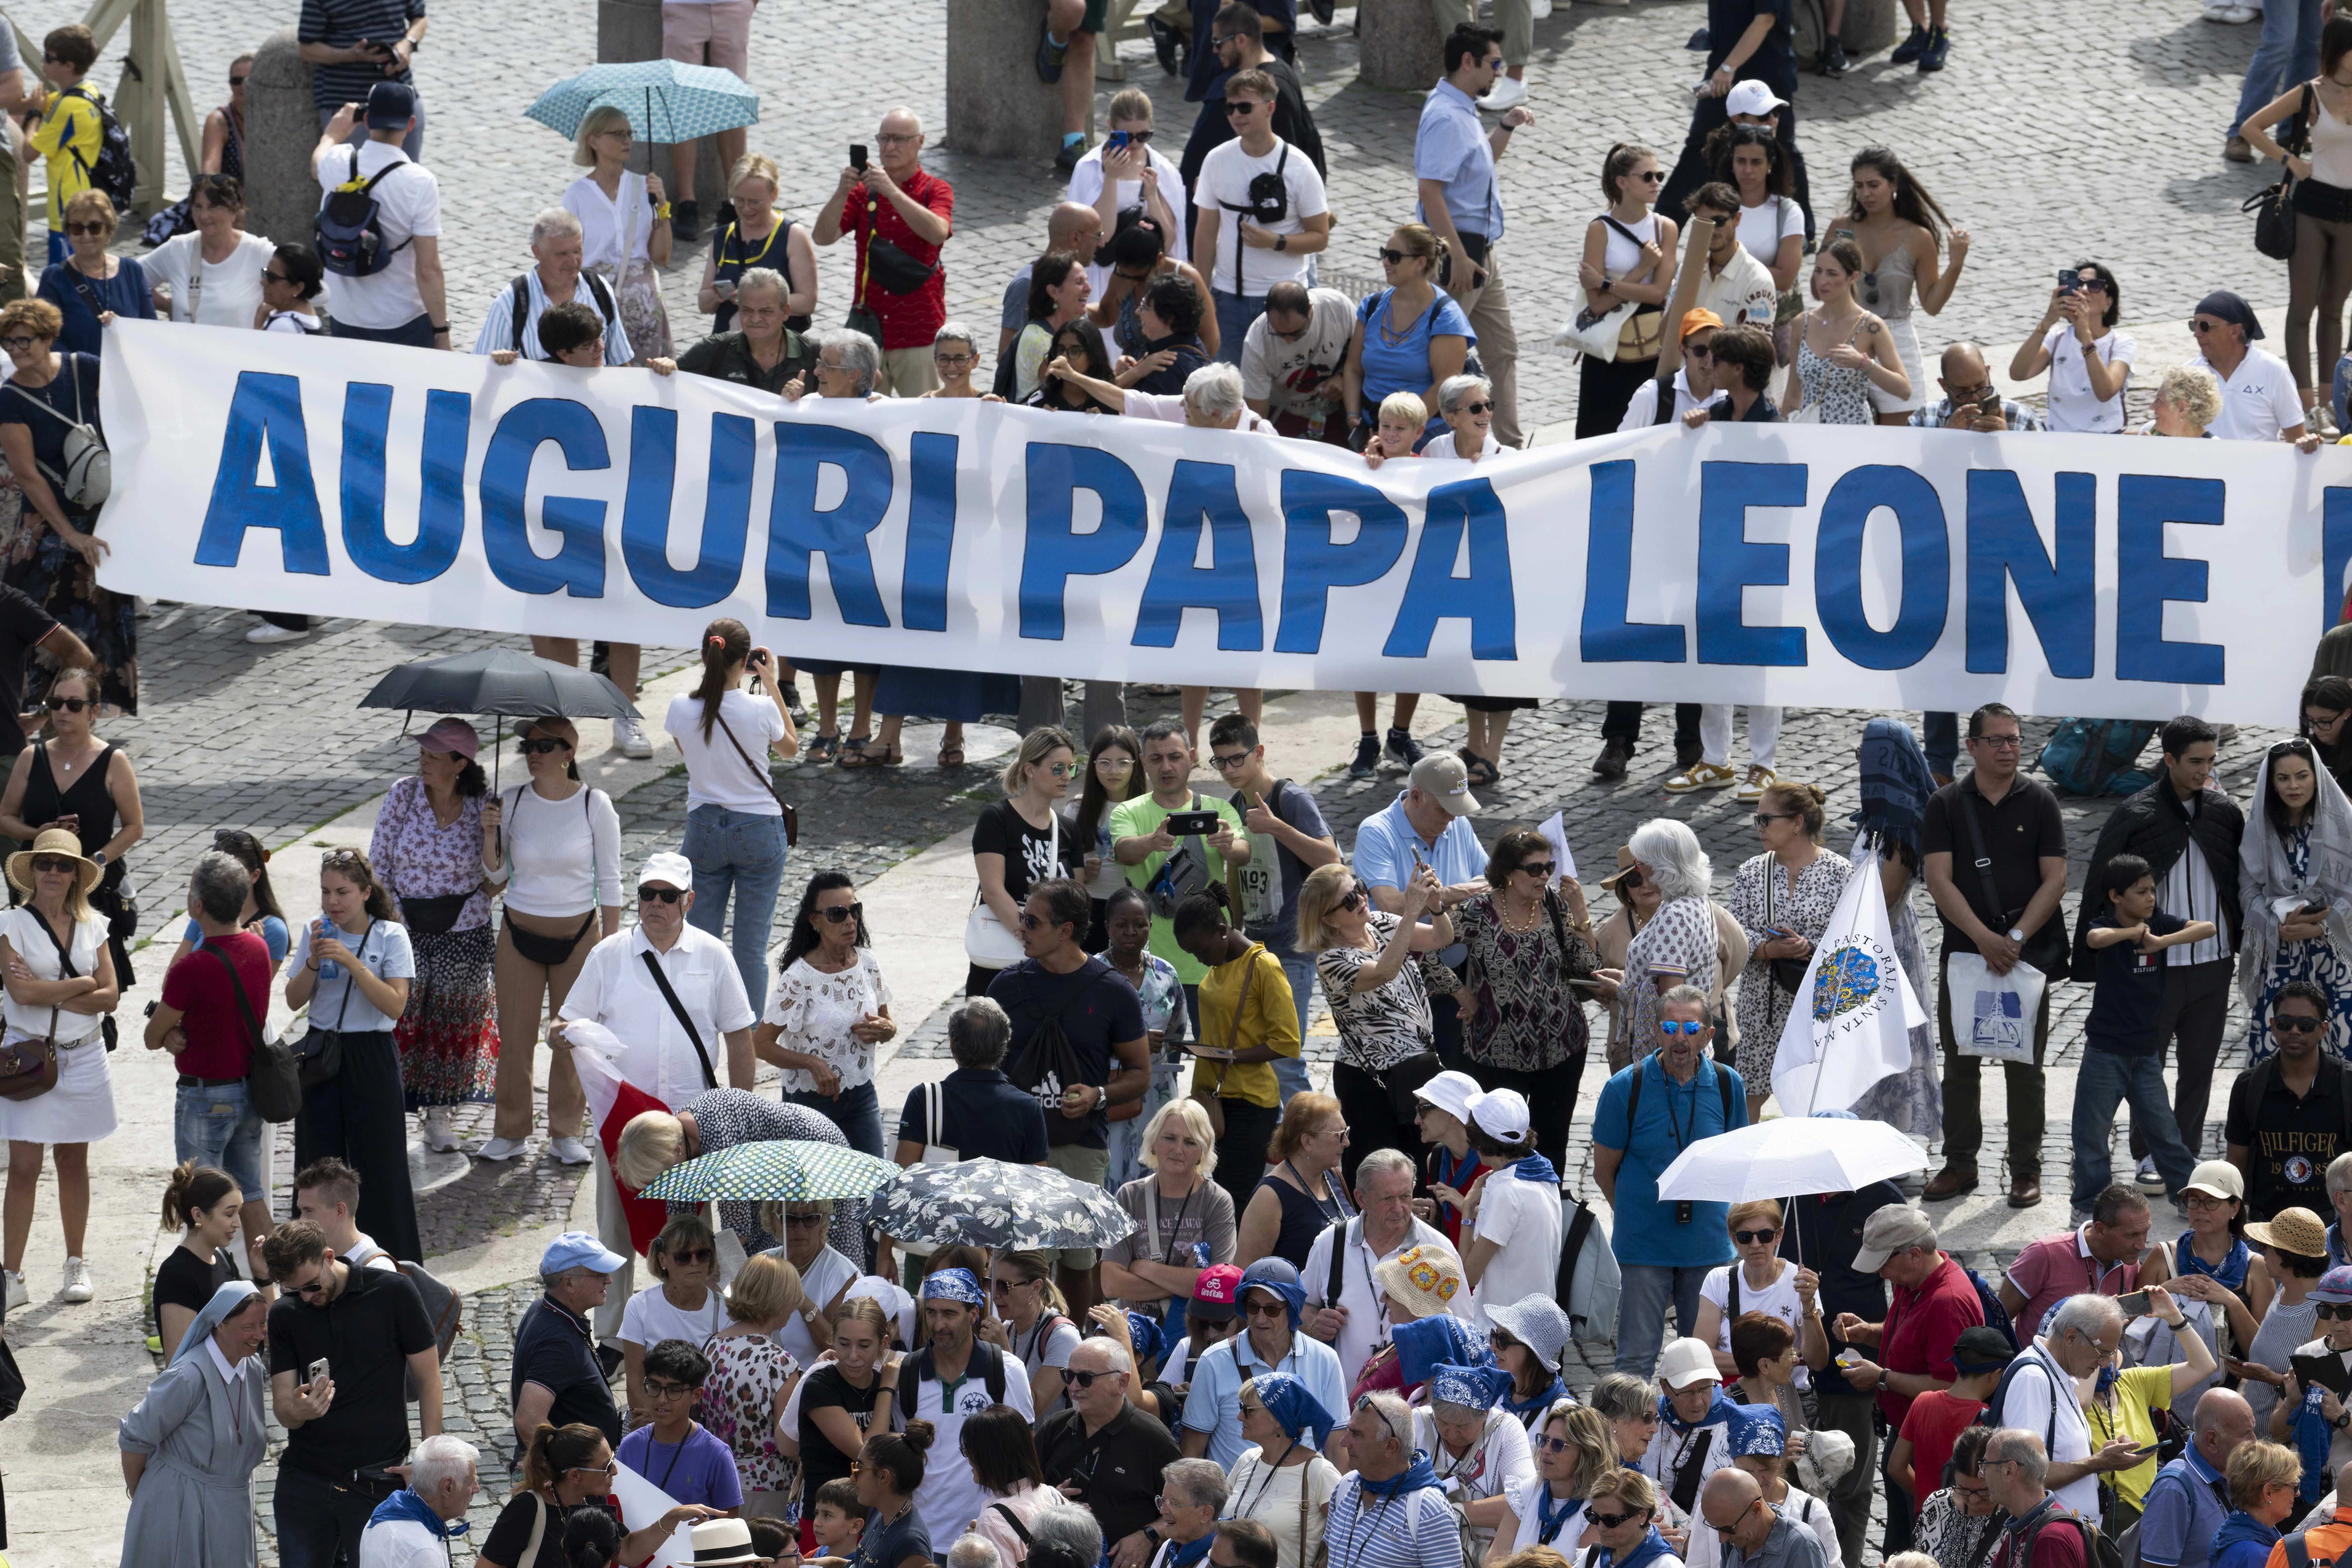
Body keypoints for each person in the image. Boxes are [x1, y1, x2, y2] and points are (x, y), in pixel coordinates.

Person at [554, 849, 758, 1331]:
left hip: (693, 1130)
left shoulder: (714, 955)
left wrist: (741, 1107)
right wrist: (561, 1033)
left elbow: (739, 1036)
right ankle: (611, 1335)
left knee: (697, 1233)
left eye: (667, 896)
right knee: (615, 1230)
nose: (656, 904)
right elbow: (565, 1018)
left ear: (688, 900)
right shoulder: (608, 955)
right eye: (648, 894)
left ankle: (711, 1327)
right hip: (625, 1125)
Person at [2078, 716, 2244, 1192]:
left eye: (2210, 760)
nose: (2204, 770)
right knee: (2143, 1065)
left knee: (2198, 1066)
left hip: (2212, 961)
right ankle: (2143, 1153)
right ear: (2167, 759)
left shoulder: (2223, 812)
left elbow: (2234, 878)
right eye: (2194, 761)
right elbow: (2100, 886)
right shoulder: (2135, 813)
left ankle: (2183, 1151)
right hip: (2152, 968)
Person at [1921, 704, 2072, 1208]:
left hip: (2022, 956)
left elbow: (2055, 877)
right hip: (1966, 955)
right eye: (1997, 741)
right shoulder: (1944, 804)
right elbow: (1938, 880)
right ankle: (1960, 1162)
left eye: (2013, 740)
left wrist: (2015, 934)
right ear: (1971, 746)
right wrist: (1983, 938)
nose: (2008, 748)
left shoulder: (2040, 802)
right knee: (1961, 1062)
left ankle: (2025, 1168)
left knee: (2023, 1067)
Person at [472, 715, 620, 1165]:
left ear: (569, 754)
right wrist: (490, 832)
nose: (534, 753)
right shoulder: (512, 802)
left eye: (546, 745)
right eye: (528, 746)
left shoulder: (595, 804)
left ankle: (565, 1132)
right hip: (518, 930)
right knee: (515, 1036)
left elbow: (610, 882)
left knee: (571, 1035)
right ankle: (511, 1130)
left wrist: (611, 949)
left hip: (578, 934)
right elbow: (496, 875)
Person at [263, 1220, 443, 1568]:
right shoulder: (286, 1314)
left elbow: (429, 1378)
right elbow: (283, 1409)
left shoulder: (393, 1292)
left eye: (312, 1286)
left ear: (329, 1257)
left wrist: (427, 1464)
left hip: (376, 1482)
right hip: (305, 1481)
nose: (307, 1298)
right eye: (293, 1290)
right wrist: (301, 1411)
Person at [1593, 985, 1749, 1375]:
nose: (1680, 1037)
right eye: (1670, 1026)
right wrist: (1634, 1213)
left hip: (1708, 1248)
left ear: (1708, 1035)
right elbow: (1602, 1171)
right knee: (1635, 1361)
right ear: (1656, 1031)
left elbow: (1737, 1166)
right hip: (1645, 1248)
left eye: (1690, 1027)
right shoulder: (1624, 1089)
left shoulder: (1729, 1086)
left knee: (1702, 1364)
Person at [1823, 1204, 1987, 1553]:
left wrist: (1881, 1379)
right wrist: (1869, 1333)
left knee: (1914, 1541)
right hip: (1908, 1434)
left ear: (1914, 1254)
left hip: (1929, 1445)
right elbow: (1909, 1335)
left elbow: (1949, 1387)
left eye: (1884, 1263)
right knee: (1898, 1537)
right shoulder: (1914, 1281)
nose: (1881, 1274)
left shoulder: (1948, 1302)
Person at [285, 847, 421, 1261]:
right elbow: (293, 1000)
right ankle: (309, 1258)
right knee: (316, 1163)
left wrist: (351, 961)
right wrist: (312, 961)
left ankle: (391, 1263)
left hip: (372, 1052)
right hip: (322, 1051)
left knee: (381, 1165)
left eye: (342, 892)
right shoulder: (318, 931)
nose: (333, 902)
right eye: (326, 892)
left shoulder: (389, 935)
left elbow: (396, 1005)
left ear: (365, 892)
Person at [370, 716, 497, 1153]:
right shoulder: (403, 795)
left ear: (459, 763)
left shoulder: (485, 805)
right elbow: (378, 864)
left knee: (451, 1025)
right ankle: (390, 1113)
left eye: (433, 756)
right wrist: (395, 918)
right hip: (404, 926)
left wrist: (491, 832)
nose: (423, 762)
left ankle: (439, 1117)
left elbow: (497, 878)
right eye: (422, 753)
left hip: (464, 929)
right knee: (400, 1023)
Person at [0, 822, 115, 1305]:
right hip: (28, 1059)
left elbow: (110, 996)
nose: (52, 871)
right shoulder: (11, 924)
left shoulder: (96, 926)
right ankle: (11, 1276)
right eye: (44, 863)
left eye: (62, 864)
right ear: (32, 871)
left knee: (74, 1161)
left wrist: (54, 994)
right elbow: (20, 993)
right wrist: (78, 986)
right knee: (23, 1168)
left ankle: (75, 1263)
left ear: (75, 874)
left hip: (85, 1055)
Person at [0, 320, 136, 716]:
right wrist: (69, 535)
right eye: (7, 341)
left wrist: (121, 334)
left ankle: (85, 709)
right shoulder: (9, 399)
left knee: (104, 613)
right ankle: (31, 711)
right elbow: (28, 475)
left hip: (103, 515)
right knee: (38, 619)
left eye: (24, 340)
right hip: (50, 526)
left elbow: (129, 403)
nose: (15, 349)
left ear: (48, 338)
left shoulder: (85, 367)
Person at [148, 850, 274, 1270]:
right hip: (249, 1093)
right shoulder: (259, 949)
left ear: (197, 905)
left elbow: (151, 1036)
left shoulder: (193, 967)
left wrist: (170, 1036)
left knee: (201, 1204)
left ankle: (206, 1302)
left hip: (205, 1098)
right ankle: (275, 1289)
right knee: (251, 1193)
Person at [1449, 829, 1599, 1171]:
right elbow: (1429, 956)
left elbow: (1591, 967)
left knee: (1553, 1143)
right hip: (1496, 1050)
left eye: (1549, 867)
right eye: (1534, 869)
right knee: (1497, 1146)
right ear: (1507, 872)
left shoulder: (1555, 904)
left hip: (1561, 1047)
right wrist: (1463, 996)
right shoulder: (1476, 912)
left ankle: (1548, 1215)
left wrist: (1581, 914)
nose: (1545, 876)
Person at [1415, 25, 1533, 448]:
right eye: (1495, 63)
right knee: (1446, 362)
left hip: (1483, 252)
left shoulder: (1463, 107)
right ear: (1469, 63)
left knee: (1502, 352)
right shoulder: (1446, 117)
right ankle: (1434, 444)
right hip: (1460, 253)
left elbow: (1476, 168)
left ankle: (1510, 447)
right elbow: (1430, 191)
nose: (1500, 72)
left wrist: (1505, 126)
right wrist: (1458, 256)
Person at [2074, 862, 2217, 1207]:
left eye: (2152, 889)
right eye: (2141, 891)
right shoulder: (2105, 926)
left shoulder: (2160, 924)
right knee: (2091, 1135)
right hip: (2105, 1053)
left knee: (2165, 1132)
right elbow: (2094, 939)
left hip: (2145, 1054)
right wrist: (2133, 934)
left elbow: (2208, 928)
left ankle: (2186, 1198)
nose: (2151, 898)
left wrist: (2161, 941)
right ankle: (2088, 1203)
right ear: (2116, 896)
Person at [1299, 862, 1452, 1185]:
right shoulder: (1330, 960)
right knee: (1382, 1174)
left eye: (1359, 888)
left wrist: (1435, 906)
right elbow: (1384, 971)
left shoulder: (1380, 924)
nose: (1361, 899)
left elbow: (1440, 937)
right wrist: (1411, 912)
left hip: (1415, 1070)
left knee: (1423, 1169)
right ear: (1328, 919)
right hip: (1370, 1084)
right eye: (1349, 901)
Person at [1210, 711, 1335, 1094]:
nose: (1229, 769)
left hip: (1294, 946)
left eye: (1237, 758)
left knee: (1285, 1059)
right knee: (1258, 1051)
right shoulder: (1232, 804)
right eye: (1220, 761)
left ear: (1259, 752)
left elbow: (1332, 861)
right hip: (1254, 947)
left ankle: (1309, 1144)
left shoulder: (1289, 797)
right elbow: (1236, 880)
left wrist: (1277, 827)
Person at [118, 1279, 270, 1567]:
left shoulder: (252, 1368)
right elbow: (134, 1437)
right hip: (179, 1509)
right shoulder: (188, 1376)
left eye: (262, 1324)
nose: (259, 1335)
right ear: (221, 1325)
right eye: (249, 1327)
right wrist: (144, 1497)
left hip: (231, 1508)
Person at [1724, 784, 1849, 1119]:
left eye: (1766, 819)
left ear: (1797, 823)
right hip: (1761, 1010)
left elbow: (1852, 941)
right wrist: (1768, 949)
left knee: (1819, 1103)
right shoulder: (1752, 872)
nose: (1759, 827)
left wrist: (1808, 948)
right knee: (1747, 1100)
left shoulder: (1840, 873)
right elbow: (1733, 936)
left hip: (1817, 1012)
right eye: (1757, 819)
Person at [1192, 68, 1329, 360]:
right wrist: (1202, 294)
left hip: (1285, 299)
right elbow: (1205, 232)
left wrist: (1276, 241)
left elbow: (1320, 237)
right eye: (1229, 108)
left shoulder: (1299, 167)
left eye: (1245, 107)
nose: (1235, 115)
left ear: (1270, 108)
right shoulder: (1216, 161)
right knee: (1226, 388)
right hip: (1228, 297)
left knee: (1283, 391)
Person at [813, 108, 952, 396]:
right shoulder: (863, 192)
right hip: (869, 334)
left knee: (921, 417)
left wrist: (893, 193)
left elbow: (938, 232)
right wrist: (842, 192)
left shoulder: (935, 189)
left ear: (920, 142)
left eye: (900, 139)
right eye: (884, 139)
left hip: (918, 332)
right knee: (863, 416)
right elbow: (823, 237)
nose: (890, 147)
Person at [1823, 149, 1965, 424]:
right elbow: (1820, 291)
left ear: (1894, 185)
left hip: (1897, 342)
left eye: (1873, 185)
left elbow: (1932, 305)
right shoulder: (1841, 228)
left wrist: (1955, 265)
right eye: (1859, 186)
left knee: (1901, 434)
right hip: (1845, 336)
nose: (1866, 194)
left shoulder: (1917, 237)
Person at [1176, 894, 1301, 1207]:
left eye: (1201, 950)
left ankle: (1236, 1258)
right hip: (1212, 1099)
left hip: (1250, 1103)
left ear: (1222, 930)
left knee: (1233, 1199)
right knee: (1208, 1194)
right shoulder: (1220, 965)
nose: (1200, 960)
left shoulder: (1263, 966)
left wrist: (1230, 1057)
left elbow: (1286, 1041)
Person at [758, 870, 893, 1158]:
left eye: (854, 910)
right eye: (837, 914)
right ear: (815, 920)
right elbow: (761, 1044)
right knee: (819, 1200)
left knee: (875, 1184)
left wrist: (886, 1030)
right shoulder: (799, 978)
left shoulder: (867, 962)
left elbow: (887, 1022)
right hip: (811, 1103)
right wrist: (812, 1063)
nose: (850, 920)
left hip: (862, 1094)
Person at [902, 1270, 1039, 1544]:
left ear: (974, 1314)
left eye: (949, 1314)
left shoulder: (1007, 1370)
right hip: (920, 1536)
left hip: (989, 1534)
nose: (938, 1324)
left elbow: (1025, 1453)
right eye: (931, 1312)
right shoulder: (907, 1372)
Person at [2238, 744, 2352, 1065]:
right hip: (2280, 958)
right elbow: (2247, 890)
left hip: (2335, 958)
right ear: (2271, 782)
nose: (2293, 786)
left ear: (2317, 778)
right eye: (2283, 778)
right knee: (2280, 1050)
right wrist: (2275, 925)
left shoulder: (2343, 825)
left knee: (2341, 1048)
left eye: (2302, 776)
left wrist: (2322, 926)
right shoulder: (2260, 829)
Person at [479, 1421, 720, 1568]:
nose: (615, 1470)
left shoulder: (592, 1500)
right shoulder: (527, 1508)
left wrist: (673, 1517)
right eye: (606, 1467)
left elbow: (627, 1550)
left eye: (613, 1459)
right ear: (575, 1475)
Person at [310, 84, 444, 348]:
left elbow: (316, 164)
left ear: (367, 120)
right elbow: (429, 269)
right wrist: (443, 331)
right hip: (401, 317)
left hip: (344, 312)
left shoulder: (339, 161)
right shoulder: (419, 181)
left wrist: (333, 132)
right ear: (411, 124)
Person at [888, 1000, 1051, 1217]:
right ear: (1003, 1048)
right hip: (999, 1239)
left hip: (935, 1238)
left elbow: (901, 1181)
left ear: (953, 1046)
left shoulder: (925, 1099)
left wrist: (885, 1250)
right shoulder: (1027, 1108)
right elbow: (1036, 1189)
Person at [1035, 1332, 1182, 1561]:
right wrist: (1047, 1499)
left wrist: (1149, 1535)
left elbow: (1185, 1511)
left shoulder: (1154, 1439)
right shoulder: (1054, 1428)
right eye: (1068, 1375)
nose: (1073, 1386)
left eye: (1085, 1378)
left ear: (1122, 1382)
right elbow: (1020, 1493)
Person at [1182, 1258, 1343, 1467]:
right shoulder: (1213, 1362)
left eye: (1272, 1310)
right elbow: (1191, 1455)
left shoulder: (1325, 1360)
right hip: (1236, 1498)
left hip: (1304, 1497)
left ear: (1293, 1309)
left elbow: (1337, 1448)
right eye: (1253, 1307)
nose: (1260, 1319)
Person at [1102, 1097, 1235, 1338]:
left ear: (1202, 1152)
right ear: (1153, 1143)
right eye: (1170, 1138)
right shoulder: (1129, 1196)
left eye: (1190, 1141)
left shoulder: (1217, 1201)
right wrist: (1184, 1283)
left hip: (1193, 1336)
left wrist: (1144, 1268)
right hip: (1134, 1334)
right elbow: (1111, 1283)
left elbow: (1215, 1286)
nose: (1178, 1149)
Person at [971, 726, 1086, 997]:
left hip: (1054, 963)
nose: (1067, 776)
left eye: (1072, 768)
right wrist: (1031, 936)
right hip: (1002, 959)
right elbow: (993, 890)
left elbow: (1077, 901)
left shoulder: (1069, 829)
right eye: (1058, 768)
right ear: (1030, 769)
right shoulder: (997, 818)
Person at [1574, 144, 1679, 438]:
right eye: (1647, 176)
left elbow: (1658, 294)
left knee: (1647, 435)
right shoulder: (1599, 229)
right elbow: (1596, 305)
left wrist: (1607, 283)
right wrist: (1642, 269)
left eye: (1659, 175)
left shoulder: (1665, 228)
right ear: (1622, 182)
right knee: (1598, 435)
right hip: (1608, 349)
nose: (1656, 182)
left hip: (1650, 345)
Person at [1341, 227, 1476, 449]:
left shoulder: (1445, 318)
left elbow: (1444, 386)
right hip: (1369, 429)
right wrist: (1352, 416)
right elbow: (1353, 369)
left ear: (1420, 263)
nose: (1385, 261)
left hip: (1422, 436)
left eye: (1394, 257)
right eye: (1384, 253)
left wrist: (1397, 431)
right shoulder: (1371, 306)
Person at [2230, 983, 2352, 1219]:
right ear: (2273, 1027)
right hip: (2265, 1224)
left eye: (2306, 1025)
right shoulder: (2249, 1086)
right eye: (2285, 1023)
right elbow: (2236, 1162)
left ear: (2323, 1029)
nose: (2295, 1031)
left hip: (2334, 1224)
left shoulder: (2347, 1086)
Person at [565, 107, 671, 363]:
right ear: (594, 141)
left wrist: (663, 205)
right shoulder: (576, 195)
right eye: (617, 134)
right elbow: (568, 253)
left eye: (629, 134)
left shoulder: (644, 186)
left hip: (643, 304)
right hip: (595, 301)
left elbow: (662, 256)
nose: (627, 141)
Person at [1693, 1202, 1828, 1392]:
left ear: (1779, 1235)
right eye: (1745, 1237)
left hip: (1788, 1402)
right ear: (1734, 1240)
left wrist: (1808, 1304)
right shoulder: (1717, 1281)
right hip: (1734, 1401)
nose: (1756, 1245)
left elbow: (1817, 1361)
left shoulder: (1799, 1281)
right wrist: (1776, 1361)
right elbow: (1701, 1357)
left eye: (1765, 1236)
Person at [474, 207, 632, 367]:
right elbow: (481, 366)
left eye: (578, 251)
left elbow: (620, 360)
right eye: (562, 254)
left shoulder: (599, 289)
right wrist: (497, 361)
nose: (573, 262)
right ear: (537, 252)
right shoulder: (512, 301)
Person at [2001, 1188, 2155, 1347]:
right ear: (2101, 1230)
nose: (2142, 1246)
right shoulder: (2044, 1254)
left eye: (2146, 1232)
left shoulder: (2129, 1262)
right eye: (2132, 1235)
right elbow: (1998, 1320)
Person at [1780, 239, 1910, 422]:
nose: (1823, 281)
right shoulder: (1802, 323)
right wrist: (1787, 430)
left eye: (1832, 274)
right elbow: (1793, 390)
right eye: (1818, 271)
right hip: (1812, 432)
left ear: (1853, 277)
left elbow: (1904, 389)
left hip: (1854, 434)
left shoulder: (1872, 327)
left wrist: (1864, 365)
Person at [616, 1212, 728, 1426]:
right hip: (652, 1424)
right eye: (684, 1257)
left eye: (703, 1255)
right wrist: (659, 1426)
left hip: (706, 1426)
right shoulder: (639, 1306)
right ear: (663, 1260)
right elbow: (634, 1383)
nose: (694, 1263)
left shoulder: (725, 1310)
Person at [1223, 1373, 1340, 1568]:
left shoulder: (1319, 1472)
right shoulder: (1247, 1459)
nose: (1239, 1416)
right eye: (1240, 1407)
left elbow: (1348, 1536)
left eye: (1248, 1410)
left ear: (1278, 1418)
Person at [2002, 263, 2134, 433]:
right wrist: (2046, 323)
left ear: (2108, 303)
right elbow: (2018, 374)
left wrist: (2085, 335)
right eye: (2078, 284)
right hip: (2060, 437)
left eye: (2094, 286)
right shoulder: (2057, 339)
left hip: (2106, 438)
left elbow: (2105, 392)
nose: (2084, 290)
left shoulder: (2121, 343)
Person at [617, 1339, 743, 1515]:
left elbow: (730, 1529)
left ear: (696, 1395)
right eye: (654, 1387)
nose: (662, 1399)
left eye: (674, 1390)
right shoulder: (629, 1447)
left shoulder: (716, 1455)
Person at [1889, 1326, 2010, 1509]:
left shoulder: (1923, 1402)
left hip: (1926, 1519)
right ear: (1995, 1375)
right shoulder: (1988, 1420)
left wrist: (1931, 1499)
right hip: (1971, 1518)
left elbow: (1896, 1468)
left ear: (1955, 1365)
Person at [2139, 1388, 2261, 1568]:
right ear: (2212, 1441)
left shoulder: (2230, 1467)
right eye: (2245, 1434)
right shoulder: (2174, 1490)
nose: (2255, 1441)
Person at [698, 154, 816, 338]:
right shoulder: (723, 236)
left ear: (774, 195)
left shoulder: (792, 236)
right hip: (728, 346)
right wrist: (716, 296)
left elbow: (807, 302)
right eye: (739, 200)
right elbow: (704, 304)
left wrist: (754, 303)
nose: (746, 209)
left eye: (755, 202)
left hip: (776, 348)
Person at [147, 175, 280, 336]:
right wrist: (168, 306)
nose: (204, 216)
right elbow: (126, 278)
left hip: (240, 356)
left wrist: (267, 311)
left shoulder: (259, 252)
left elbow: (312, 291)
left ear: (233, 211)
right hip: (186, 356)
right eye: (198, 207)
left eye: (213, 207)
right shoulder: (177, 249)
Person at [1239, 1091, 1354, 1271]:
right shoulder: (1270, 1197)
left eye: (1346, 1132)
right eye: (1339, 1135)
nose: (1346, 1142)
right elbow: (1245, 1274)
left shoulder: (1331, 1176)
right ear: (1308, 1142)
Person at [295, 0, 426, 156]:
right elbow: (307, 49)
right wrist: (350, 56)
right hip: (349, 106)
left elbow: (420, 19)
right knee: (356, 177)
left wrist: (408, 44)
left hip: (401, 99)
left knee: (406, 176)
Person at [2185, 291, 2313, 444]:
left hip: (2259, 467)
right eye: (2194, 325)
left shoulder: (2274, 371)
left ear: (2235, 331)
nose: (2197, 334)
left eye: (2205, 326)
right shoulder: (2187, 374)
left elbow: (2296, 437)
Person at [154, 1163, 253, 1360]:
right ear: (198, 1215)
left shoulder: (223, 1259)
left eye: (239, 1212)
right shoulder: (177, 1275)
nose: (238, 1223)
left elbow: (257, 1332)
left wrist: (263, 1276)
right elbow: (178, 1365)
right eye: (229, 1214)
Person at [37, 190, 153, 356]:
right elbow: (45, 338)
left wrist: (124, 328)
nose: (86, 235)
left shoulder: (132, 271)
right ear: (69, 234)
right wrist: (84, 369)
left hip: (127, 372)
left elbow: (151, 330)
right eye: (77, 228)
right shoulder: (54, 278)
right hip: (77, 377)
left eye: (95, 227)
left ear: (110, 231)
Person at [26, 26, 102, 267]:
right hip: (87, 196)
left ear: (68, 66)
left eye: (49, 58)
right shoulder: (89, 91)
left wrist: (34, 116)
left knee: (64, 275)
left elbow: (29, 153)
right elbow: (54, 103)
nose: (43, 61)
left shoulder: (66, 108)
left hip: (66, 205)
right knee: (84, 270)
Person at [1240, 280, 1350, 442]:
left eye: (1297, 333)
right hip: (1284, 414)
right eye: (1278, 333)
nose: (1289, 341)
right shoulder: (1258, 340)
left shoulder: (1337, 307)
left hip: (1335, 414)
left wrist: (1342, 377)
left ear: (1310, 309)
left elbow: (1363, 349)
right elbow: (1256, 414)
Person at [981, 1251, 1082, 1416]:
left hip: (1045, 1441)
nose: (995, 1293)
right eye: (990, 1283)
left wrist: (1005, 1353)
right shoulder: (1008, 1329)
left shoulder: (1063, 1337)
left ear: (1036, 1287)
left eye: (1004, 1286)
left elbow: (1033, 1409)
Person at [357, 1434, 479, 1566]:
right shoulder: (424, 1552)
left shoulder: (385, 1512)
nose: (477, 1489)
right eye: (471, 1482)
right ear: (448, 1487)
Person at [1911, 1426, 2004, 1568]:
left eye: (1985, 1491)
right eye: (1964, 1489)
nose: (1974, 1500)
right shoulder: (1936, 1505)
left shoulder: (2018, 1519)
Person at [1701, 1467, 1829, 1568]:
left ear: (1756, 1510)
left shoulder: (1802, 1547)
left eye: (1729, 1529)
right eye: (1717, 1529)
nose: (1722, 1540)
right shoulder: (1734, 1542)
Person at [2213, 1442, 2304, 1568]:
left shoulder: (2236, 1532)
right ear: (2269, 1493)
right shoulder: (2252, 1556)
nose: (2298, 1493)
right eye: (2294, 1486)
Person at [258, 243, 329, 336]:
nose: (263, 282)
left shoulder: (283, 327)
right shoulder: (306, 316)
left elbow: (258, 350)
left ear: (297, 288)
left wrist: (258, 324)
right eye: (265, 272)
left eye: (272, 277)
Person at [201, 55, 250, 180]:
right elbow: (210, 171)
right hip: (230, 196)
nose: (243, 87)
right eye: (237, 81)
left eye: (249, 80)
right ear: (230, 85)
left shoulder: (275, 117)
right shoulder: (219, 120)